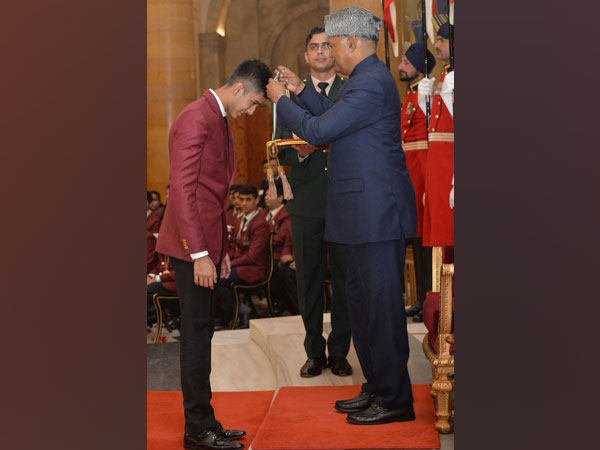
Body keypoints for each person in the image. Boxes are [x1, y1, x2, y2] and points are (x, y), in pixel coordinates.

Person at [267, 7, 417, 425]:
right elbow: (330, 117)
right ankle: (376, 387)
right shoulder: (362, 82)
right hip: (357, 215)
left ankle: (396, 399)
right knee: (363, 307)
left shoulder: (371, 83)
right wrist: (301, 89)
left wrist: (283, 100)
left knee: (381, 310)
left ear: (352, 42)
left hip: (376, 217)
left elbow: (318, 131)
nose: (330, 54)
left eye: (332, 46)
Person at [156, 59, 272, 450]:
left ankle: (205, 420)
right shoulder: (196, 117)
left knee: (204, 331)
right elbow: (183, 191)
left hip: (205, 244)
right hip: (191, 248)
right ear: (239, 88)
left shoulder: (216, 117)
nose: (251, 111)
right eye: (254, 102)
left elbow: (213, 195)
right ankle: (197, 430)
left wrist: (219, 250)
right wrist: (200, 252)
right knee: (194, 334)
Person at [274, 25, 353, 378]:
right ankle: (313, 352)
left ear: (334, 53)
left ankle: (339, 351)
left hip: (343, 200)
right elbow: (279, 149)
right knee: (307, 280)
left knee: (346, 280)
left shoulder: (350, 90)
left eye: (326, 46)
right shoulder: (287, 99)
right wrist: (302, 154)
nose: (320, 52)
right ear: (305, 56)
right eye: (313, 47)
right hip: (305, 201)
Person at [397, 43, 436, 322]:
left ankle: (429, 299)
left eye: (407, 61)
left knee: (426, 243)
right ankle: (422, 298)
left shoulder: (427, 95)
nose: (401, 63)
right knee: (416, 240)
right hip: (410, 177)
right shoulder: (411, 96)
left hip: (423, 176)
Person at [419, 21, 454, 247]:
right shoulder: (445, 77)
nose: (436, 44)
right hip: (439, 174)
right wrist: (426, 104)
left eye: (442, 40)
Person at [216, 184, 270, 329]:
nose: (244, 203)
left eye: (248, 200)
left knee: (217, 279)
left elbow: (252, 257)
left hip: (253, 269)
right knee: (213, 274)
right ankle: (232, 312)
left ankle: (243, 311)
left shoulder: (261, 224)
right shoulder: (240, 219)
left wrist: (230, 265)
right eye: (241, 199)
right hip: (241, 265)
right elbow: (234, 247)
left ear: (256, 200)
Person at [262, 180, 299, 315]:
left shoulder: (287, 214)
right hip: (271, 254)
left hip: (277, 254)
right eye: (265, 195)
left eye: (269, 195)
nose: (265, 197)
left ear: (280, 198)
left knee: (279, 270)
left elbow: (282, 238)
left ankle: (293, 308)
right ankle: (281, 305)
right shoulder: (263, 214)